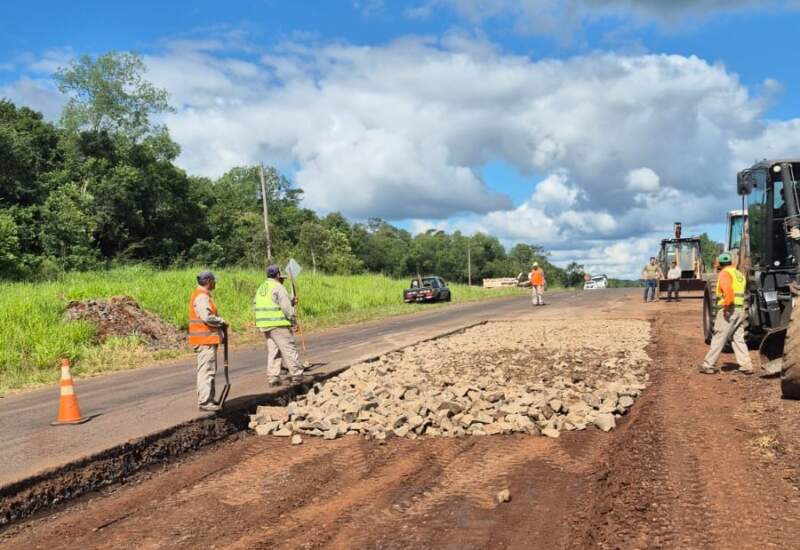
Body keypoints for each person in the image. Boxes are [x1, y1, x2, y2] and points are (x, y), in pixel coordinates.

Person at [699, 253, 753, 375]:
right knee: (738, 338)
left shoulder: (724, 274)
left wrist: (727, 307)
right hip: (740, 310)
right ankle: (746, 365)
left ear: (719, 264)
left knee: (718, 337)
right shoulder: (739, 274)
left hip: (729, 310)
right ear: (731, 262)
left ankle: (708, 365)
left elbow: (728, 292)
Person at [254, 265, 304, 385]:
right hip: (278, 323)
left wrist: (290, 302)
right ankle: (297, 376)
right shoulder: (278, 287)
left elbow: (261, 303)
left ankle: (273, 378)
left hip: (265, 324)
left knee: (274, 350)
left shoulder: (262, 287)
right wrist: (293, 320)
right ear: (278, 275)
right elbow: (286, 307)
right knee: (289, 349)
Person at [188, 271, 227, 412]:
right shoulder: (202, 297)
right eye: (214, 280)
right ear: (209, 281)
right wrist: (221, 321)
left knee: (209, 370)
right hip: (205, 340)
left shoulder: (201, 295)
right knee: (207, 371)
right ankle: (205, 401)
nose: (215, 283)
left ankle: (209, 398)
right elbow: (207, 317)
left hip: (206, 340)